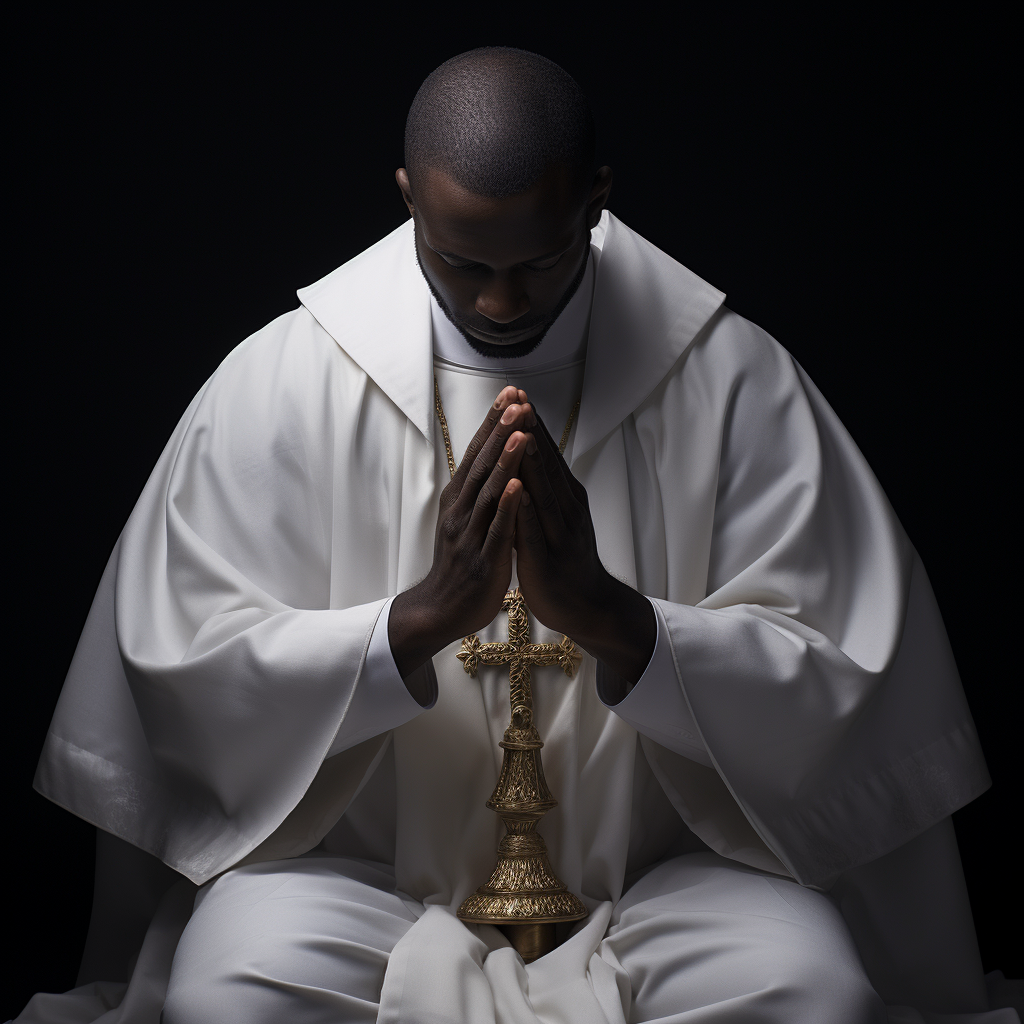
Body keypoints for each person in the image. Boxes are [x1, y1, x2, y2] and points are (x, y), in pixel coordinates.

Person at [17, 47, 1014, 1024]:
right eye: (462, 262)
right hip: (361, 884)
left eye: (537, 262)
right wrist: (411, 623)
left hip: (662, 884)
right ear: (409, 196)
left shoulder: (733, 383)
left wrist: (618, 620)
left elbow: (839, 678)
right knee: (228, 991)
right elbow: (185, 672)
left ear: (596, 199)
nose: (501, 303)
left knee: (810, 991)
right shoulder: (280, 386)